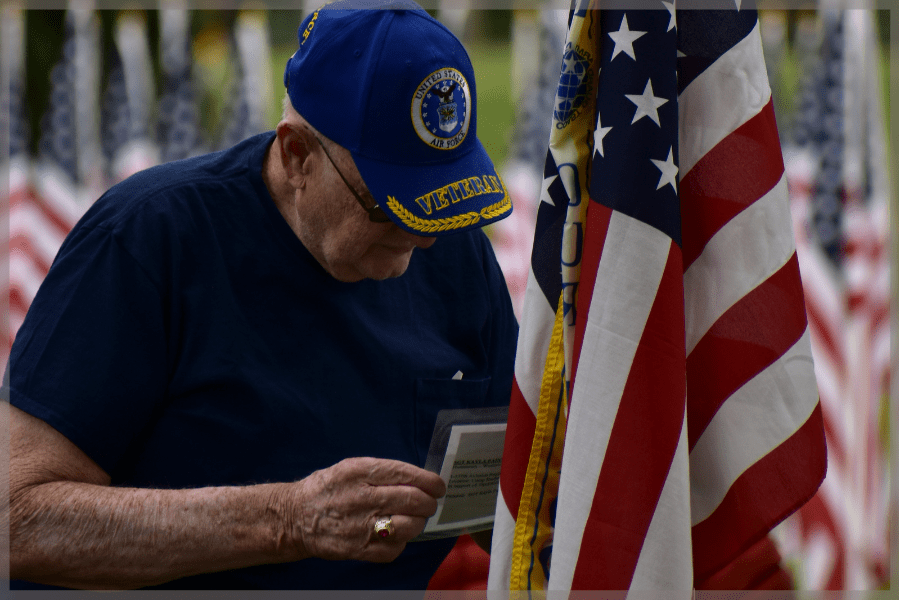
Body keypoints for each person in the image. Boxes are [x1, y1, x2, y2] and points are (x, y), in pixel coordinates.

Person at [5, 0, 517, 589]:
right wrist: (288, 519)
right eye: (389, 206)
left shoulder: (454, 250)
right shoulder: (150, 239)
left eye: (443, 199)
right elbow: (15, 518)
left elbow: (509, 482)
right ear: (297, 154)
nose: (423, 240)